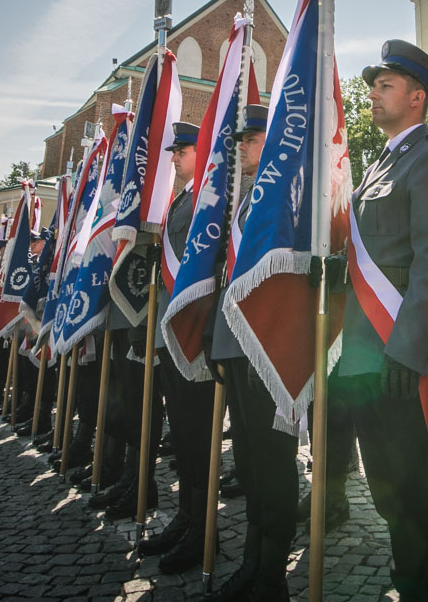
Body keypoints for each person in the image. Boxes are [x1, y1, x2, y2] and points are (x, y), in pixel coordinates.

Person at [338, 40, 428, 601]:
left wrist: (410, 348)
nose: (372, 93)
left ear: (417, 96)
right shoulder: (379, 164)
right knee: (391, 494)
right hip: (366, 359)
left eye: (385, 85)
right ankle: (412, 584)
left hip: (405, 359)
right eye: (373, 85)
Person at [207, 103, 299, 602]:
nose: (240, 147)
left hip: (271, 344)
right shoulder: (245, 201)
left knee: (273, 462)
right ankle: (253, 559)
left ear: (271, 142)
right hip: (239, 344)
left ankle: (272, 574)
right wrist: (217, 339)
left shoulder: (285, 191)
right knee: (248, 461)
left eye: (250, 140)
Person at [140, 121, 221, 572]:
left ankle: (202, 529)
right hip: (174, 329)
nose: (173, 157)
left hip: (197, 331)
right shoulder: (181, 200)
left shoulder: (209, 197)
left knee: (197, 433)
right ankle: (187, 516)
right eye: (173, 151)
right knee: (185, 438)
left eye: (182, 150)